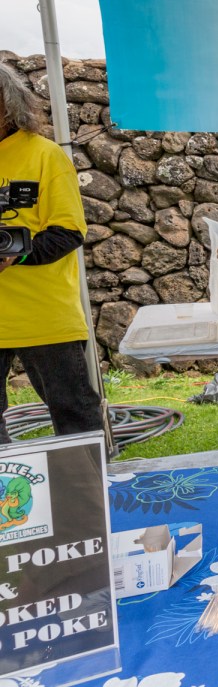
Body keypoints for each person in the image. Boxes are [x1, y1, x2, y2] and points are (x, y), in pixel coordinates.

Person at [0, 61, 104, 443]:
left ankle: (90, 497)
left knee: (74, 414)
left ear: (8, 104)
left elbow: (68, 231)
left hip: (43, 315)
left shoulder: (45, 155)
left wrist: (16, 255)